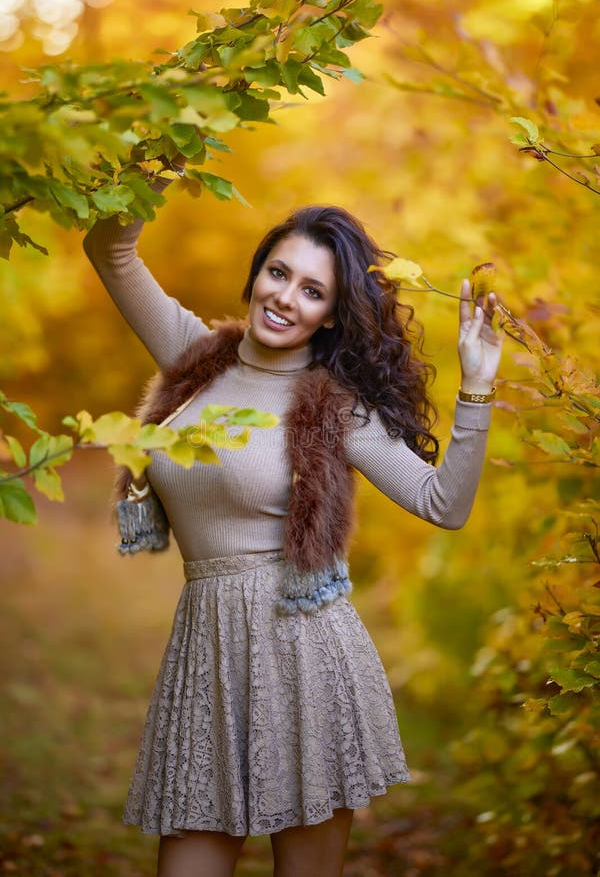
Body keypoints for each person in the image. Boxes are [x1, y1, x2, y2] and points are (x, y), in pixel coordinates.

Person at [83, 170, 502, 877]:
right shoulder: (193, 357)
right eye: (279, 273)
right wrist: (151, 158)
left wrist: (478, 388)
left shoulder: (338, 407)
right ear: (256, 274)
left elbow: (443, 503)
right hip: (205, 656)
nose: (286, 297)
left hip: (306, 660)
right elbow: (109, 249)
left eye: (313, 291)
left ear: (332, 315)